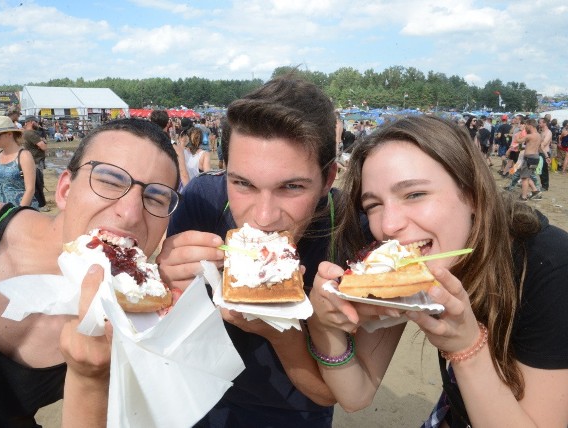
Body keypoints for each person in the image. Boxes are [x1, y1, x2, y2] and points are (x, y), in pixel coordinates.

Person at [307, 115, 568, 427]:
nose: (389, 226)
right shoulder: (411, 264)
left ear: (472, 193)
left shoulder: (550, 268)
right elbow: (355, 395)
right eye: (373, 204)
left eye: (415, 194)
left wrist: (467, 348)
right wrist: (322, 325)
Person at [0, 118, 181, 427]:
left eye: (155, 197)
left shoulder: (134, 316)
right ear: (64, 190)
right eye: (111, 181)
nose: (129, 214)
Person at [155, 74, 353, 427]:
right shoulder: (202, 199)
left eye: (291, 187)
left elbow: (329, 393)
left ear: (327, 179)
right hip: (199, 399)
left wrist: (279, 334)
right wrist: (161, 281)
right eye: (243, 183)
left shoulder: (348, 228)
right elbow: (164, 336)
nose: (264, 217)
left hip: (295, 414)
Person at [0, 115, 39, 208]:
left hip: (21, 210)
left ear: (9, 134)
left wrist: (18, 213)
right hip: (1, 209)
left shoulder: (24, 156)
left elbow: (30, 189)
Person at [23, 115, 50, 211]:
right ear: (31, 122)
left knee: (34, 184)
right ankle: (40, 205)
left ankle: (37, 203)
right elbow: (44, 146)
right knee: (38, 184)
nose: (37, 124)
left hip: (33, 160)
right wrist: (43, 141)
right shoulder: (31, 134)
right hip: (35, 161)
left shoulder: (28, 133)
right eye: (36, 122)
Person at [537, 117, 552, 191]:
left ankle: (545, 186)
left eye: (540, 122)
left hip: (545, 153)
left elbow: (543, 145)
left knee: (544, 171)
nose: (539, 124)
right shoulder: (541, 131)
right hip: (539, 153)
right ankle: (542, 185)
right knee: (540, 170)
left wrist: (546, 157)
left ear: (545, 123)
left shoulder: (548, 132)